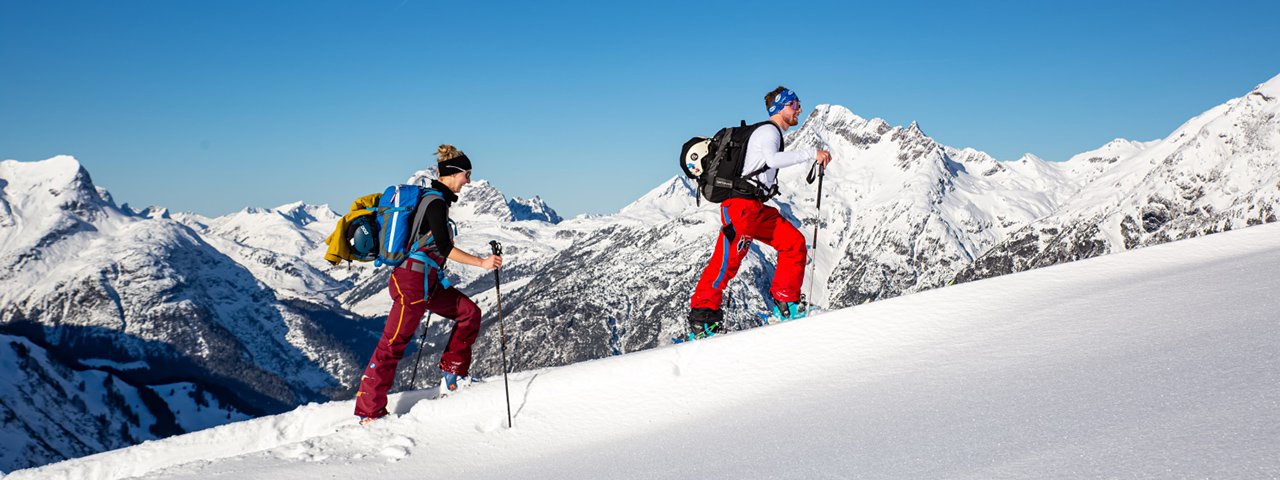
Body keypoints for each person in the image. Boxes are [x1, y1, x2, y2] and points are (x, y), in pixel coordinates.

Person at [355, 144, 502, 424]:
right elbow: (445, 248)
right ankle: (369, 412)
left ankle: (453, 376)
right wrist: (482, 263)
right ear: (451, 174)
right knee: (393, 345)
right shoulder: (434, 202)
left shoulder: (437, 201)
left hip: (427, 282)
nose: (468, 181)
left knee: (469, 313)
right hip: (411, 284)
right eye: (466, 174)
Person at [688, 86, 832, 336]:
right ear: (781, 107)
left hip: (754, 208)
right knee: (726, 264)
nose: (799, 109)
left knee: (793, 242)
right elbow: (773, 160)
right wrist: (812, 154)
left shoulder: (769, 132)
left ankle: (785, 304)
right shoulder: (769, 131)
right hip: (741, 208)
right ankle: (703, 321)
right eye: (795, 104)